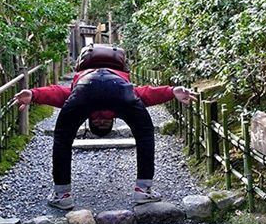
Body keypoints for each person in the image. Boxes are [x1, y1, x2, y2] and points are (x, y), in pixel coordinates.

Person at [12, 65, 195, 210]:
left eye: (98, 122)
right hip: (116, 84)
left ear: (89, 119)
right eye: (103, 122)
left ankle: (62, 196)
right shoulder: (121, 99)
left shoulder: (79, 98)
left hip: (87, 84)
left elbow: (58, 94)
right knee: (145, 133)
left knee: (62, 138)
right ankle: (143, 190)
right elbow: (146, 94)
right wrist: (171, 92)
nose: (100, 120)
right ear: (114, 119)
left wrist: (35, 94)